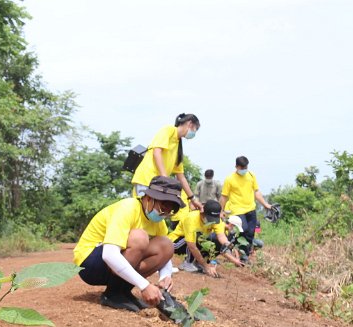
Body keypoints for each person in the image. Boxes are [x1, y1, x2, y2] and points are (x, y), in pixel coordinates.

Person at [73, 176, 184, 312]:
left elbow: (164, 254)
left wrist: (165, 276)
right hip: (90, 263)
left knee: (166, 244)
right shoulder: (128, 208)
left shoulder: (158, 222)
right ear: (149, 198)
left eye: (170, 211)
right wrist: (144, 285)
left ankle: (123, 292)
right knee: (139, 237)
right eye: (163, 208)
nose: (164, 214)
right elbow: (109, 254)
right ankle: (112, 294)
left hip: (111, 265)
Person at [132, 113, 202, 229]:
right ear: (190, 124)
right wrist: (165, 178)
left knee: (152, 220)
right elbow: (157, 152)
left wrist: (192, 199)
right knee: (139, 215)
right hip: (146, 180)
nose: (193, 134)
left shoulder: (178, 145)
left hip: (157, 186)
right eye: (195, 130)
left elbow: (181, 176)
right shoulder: (168, 130)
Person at [169, 200, 244, 277]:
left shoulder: (216, 220)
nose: (212, 222)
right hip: (175, 243)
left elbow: (221, 237)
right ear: (202, 212)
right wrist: (206, 266)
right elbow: (191, 246)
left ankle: (198, 263)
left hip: (194, 241)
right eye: (210, 218)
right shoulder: (191, 218)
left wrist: (228, 245)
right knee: (197, 237)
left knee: (215, 241)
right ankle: (187, 263)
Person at [219, 156, 273, 259]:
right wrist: (221, 210)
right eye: (242, 167)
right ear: (236, 166)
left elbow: (256, 192)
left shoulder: (251, 175)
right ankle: (228, 245)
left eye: (246, 167)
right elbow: (224, 196)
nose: (244, 169)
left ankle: (244, 256)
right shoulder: (229, 179)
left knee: (250, 233)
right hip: (236, 209)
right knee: (243, 229)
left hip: (251, 208)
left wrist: (265, 205)